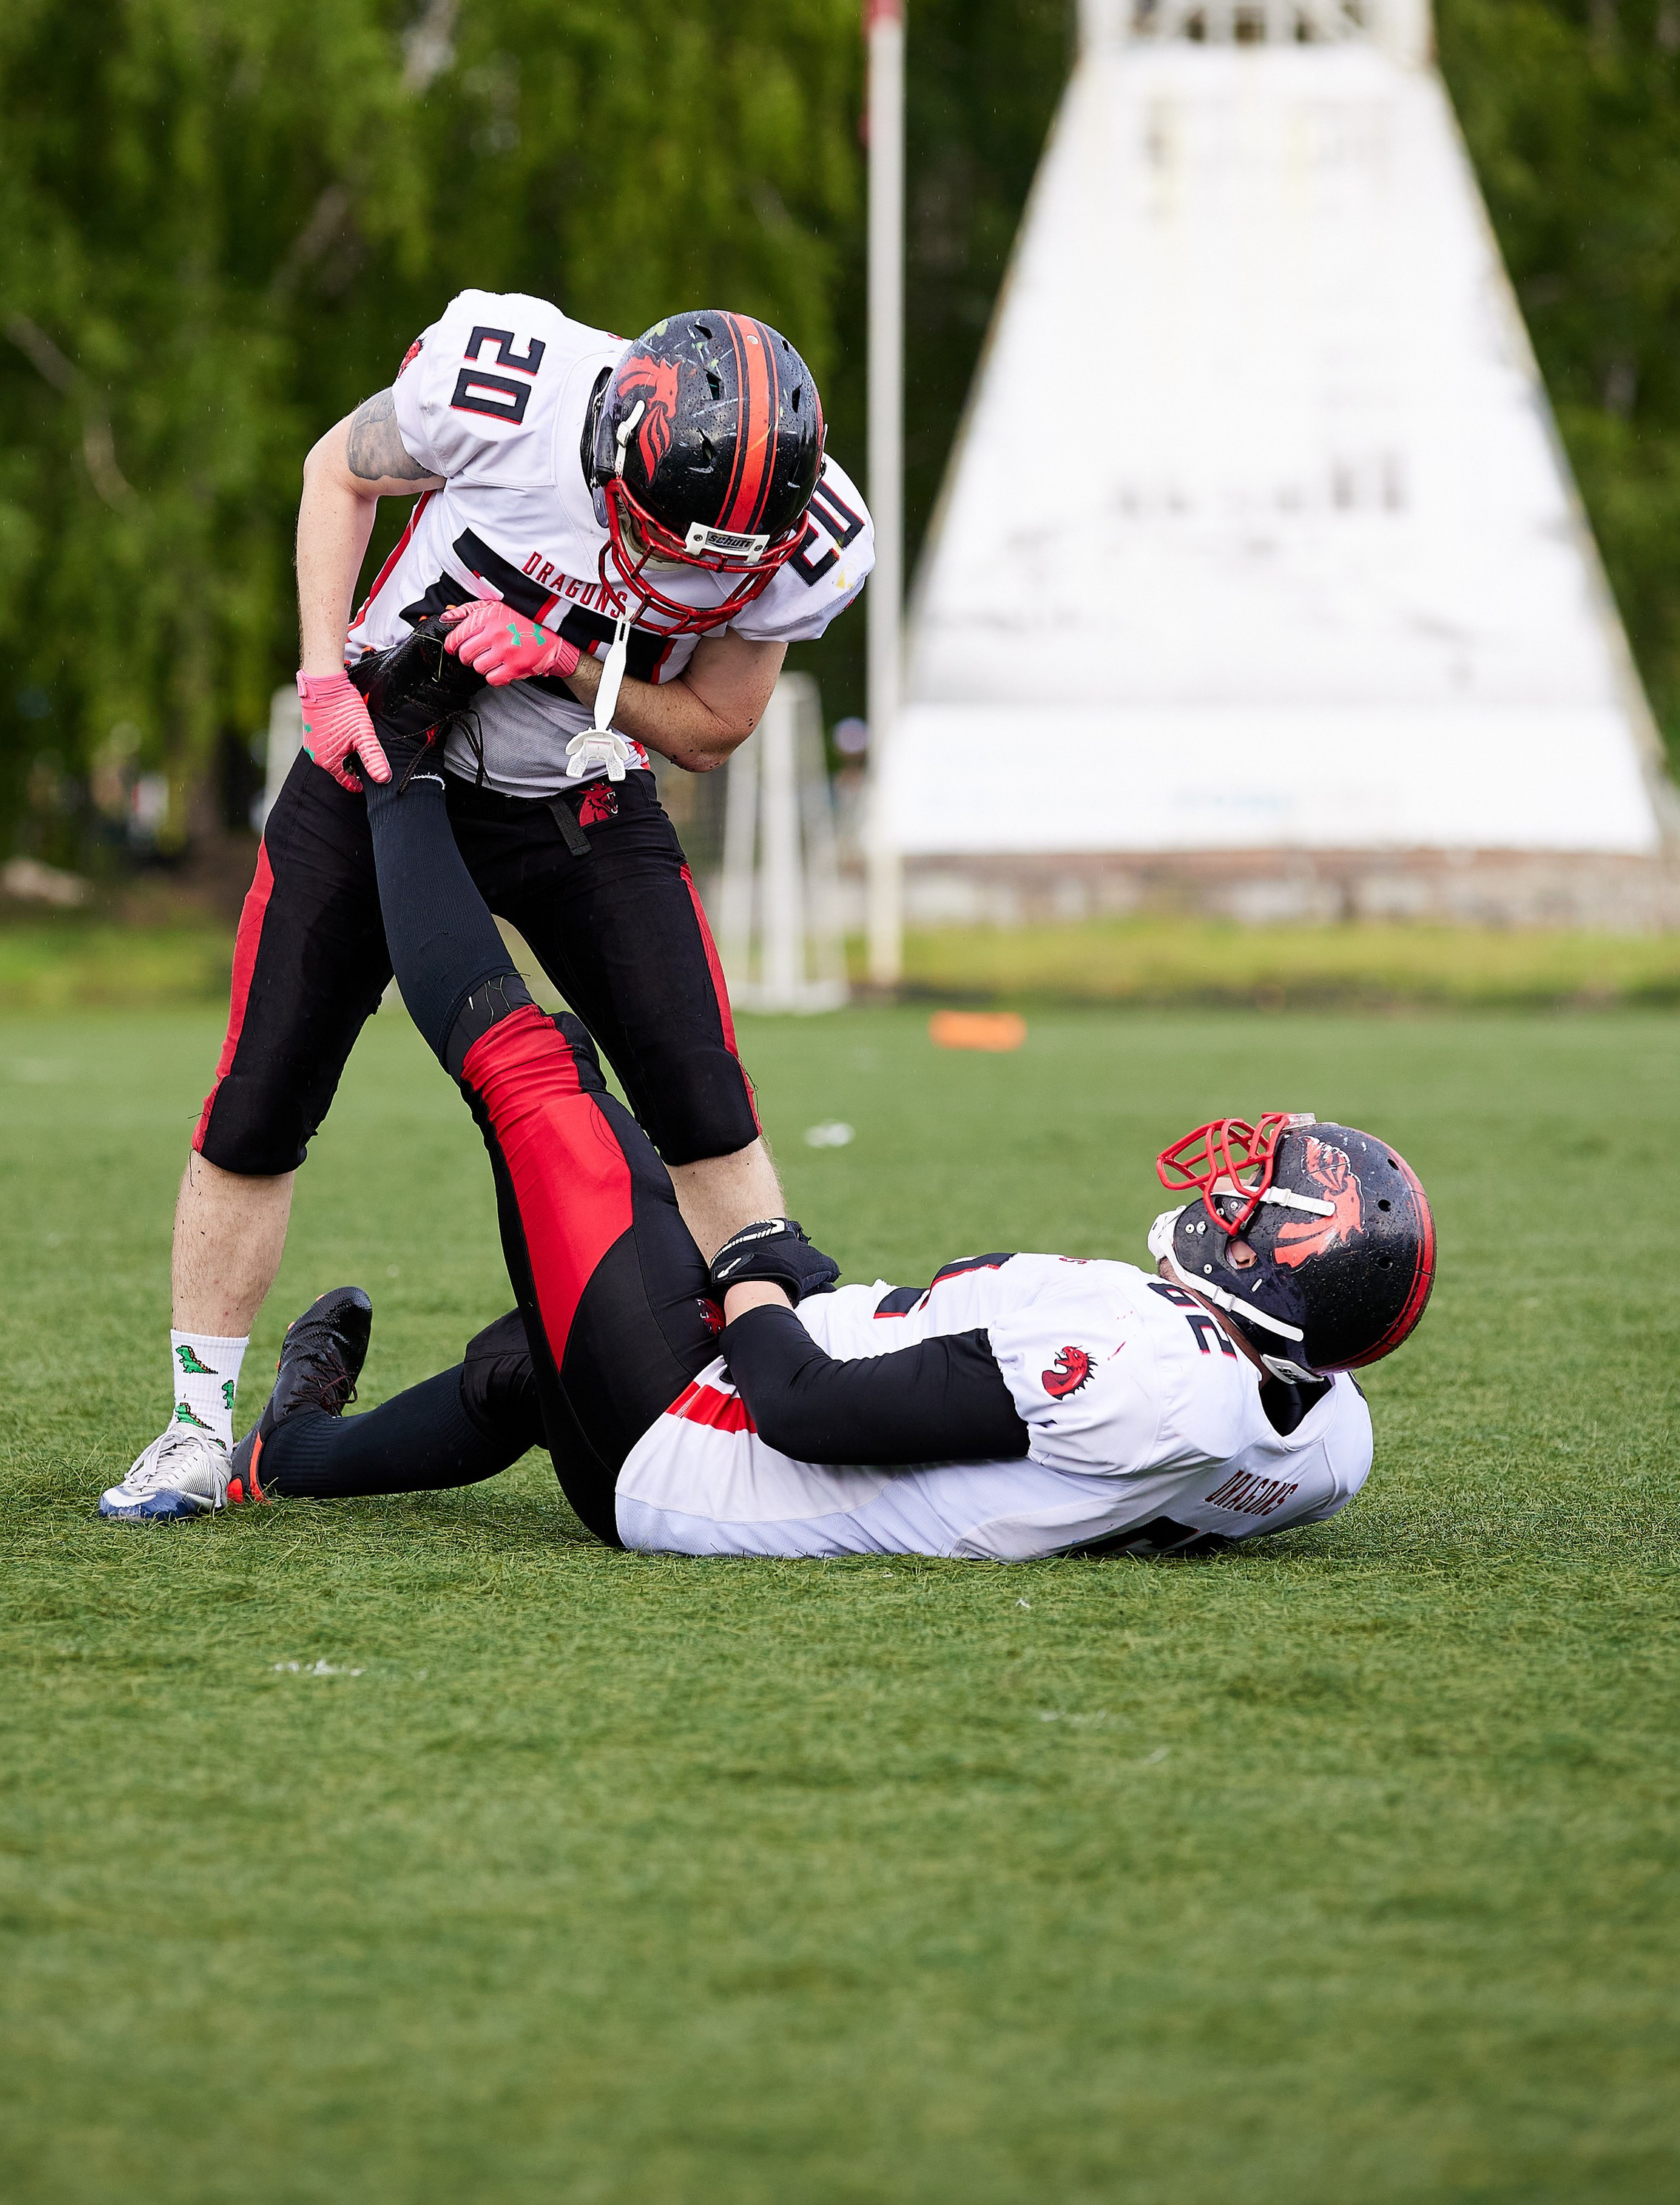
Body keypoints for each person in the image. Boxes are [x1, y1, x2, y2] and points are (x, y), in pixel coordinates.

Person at [222, 733, 1437, 1562]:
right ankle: (286, 1455)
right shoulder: (1321, 1433)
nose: (1227, 1184)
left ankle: (395, 766)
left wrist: (750, 1257)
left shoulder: (1150, 1372)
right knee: (519, 1363)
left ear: (1276, 1267)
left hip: (696, 1440)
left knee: (536, 1069)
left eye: (1256, 1197)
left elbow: (803, 1409)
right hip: (756, 1394)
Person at [98, 295, 871, 1522]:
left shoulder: (814, 534)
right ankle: (195, 1429)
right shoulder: (508, 385)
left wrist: (564, 661)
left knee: (701, 1094)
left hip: (577, 789)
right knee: (260, 1093)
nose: (677, 578)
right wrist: (320, 680)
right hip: (380, 740)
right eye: (668, 543)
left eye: (715, 566)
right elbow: (334, 473)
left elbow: (714, 726)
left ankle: (778, 1390)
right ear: (617, 449)